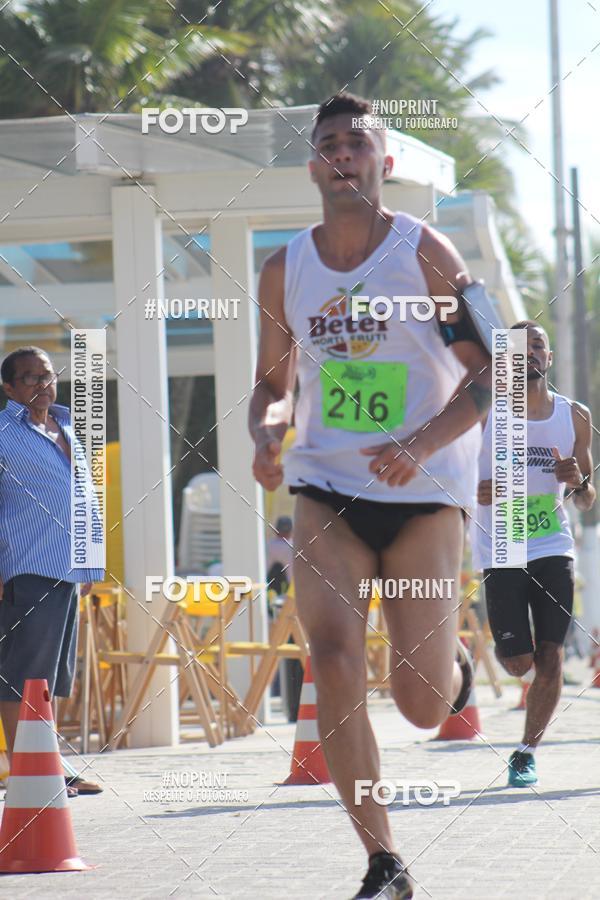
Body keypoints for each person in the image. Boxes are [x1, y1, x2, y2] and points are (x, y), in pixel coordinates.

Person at [249, 92, 493, 899]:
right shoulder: (285, 268)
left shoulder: (427, 252)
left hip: (423, 494)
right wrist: (268, 429)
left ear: (383, 162)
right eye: (328, 143)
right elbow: (270, 386)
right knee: (335, 655)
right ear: (313, 163)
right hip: (325, 487)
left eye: (358, 142)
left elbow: (489, 376)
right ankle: (383, 860)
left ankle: (450, 664)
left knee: (424, 706)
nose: (342, 153)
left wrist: (418, 443)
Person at [473, 321, 595, 787]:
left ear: (548, 357)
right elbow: (445, 473)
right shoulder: (484, 412)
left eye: (538, 345)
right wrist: (475, 491)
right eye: (519, 348)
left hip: (551, 544)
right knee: (518, 661)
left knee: (551, 655)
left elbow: (587, 499)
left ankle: (526, 752)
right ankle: (480, 669)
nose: (530, 353)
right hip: (500, 544)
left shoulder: (574, 415)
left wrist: (577, 482)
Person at [0, 346, 105, 796]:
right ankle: (27, 770)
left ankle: (50, 763)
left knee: (51, 678)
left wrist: (88, 561)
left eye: (47, 375)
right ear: (8, 388)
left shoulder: (64, 427)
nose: (43, 384)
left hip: (67, 569)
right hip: (28, 568)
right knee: (23, 673)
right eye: (29, 378)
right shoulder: (4, 432)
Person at [266, 515, 294, 595]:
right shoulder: (295, 546)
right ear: (291, 531)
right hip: (290, 593)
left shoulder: (267, 545)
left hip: (268, 590)